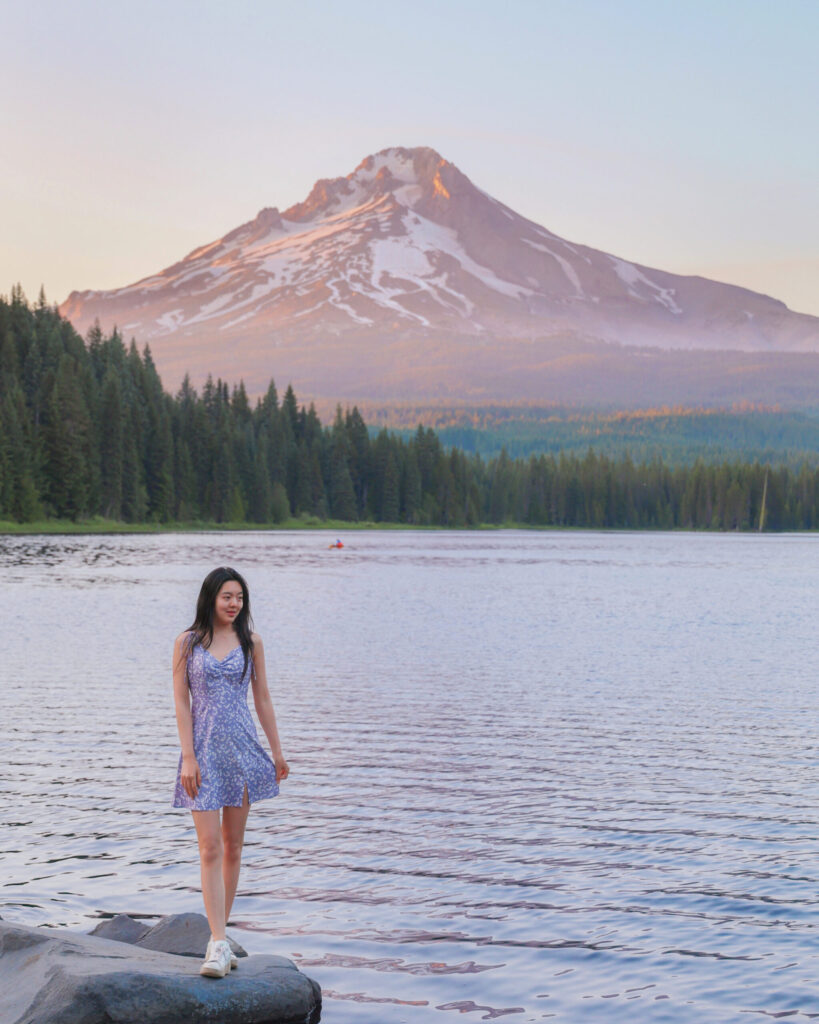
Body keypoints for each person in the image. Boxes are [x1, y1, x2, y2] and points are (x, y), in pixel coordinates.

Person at [171, 566, 290, 978]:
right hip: (202, 755)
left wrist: (276, 752)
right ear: (210, 598)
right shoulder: (187, 643)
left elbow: (263, 699)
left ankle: (219, 939)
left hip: (241, 753)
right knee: (209, 848)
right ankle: (218, 943)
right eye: (227, 596)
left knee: (233, 846)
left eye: (239, 597)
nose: (234, 603)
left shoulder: (251, 642)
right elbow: (182, 703)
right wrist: (188, 756)